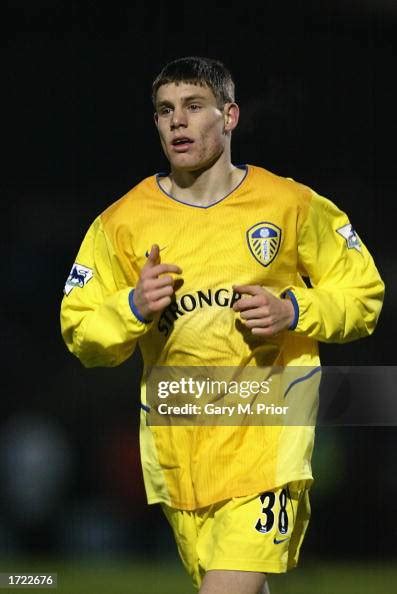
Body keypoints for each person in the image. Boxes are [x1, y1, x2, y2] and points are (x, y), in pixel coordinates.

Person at [60, 56, 385, 594]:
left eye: (193, 107)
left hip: (267, 450)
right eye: (165, 111)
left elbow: (365, 294)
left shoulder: (291, 205)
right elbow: (80, 330)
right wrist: (133, 308)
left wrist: (295, 311)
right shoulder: (119, 223)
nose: (177, 122)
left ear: (229, 116)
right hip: (180, 454)